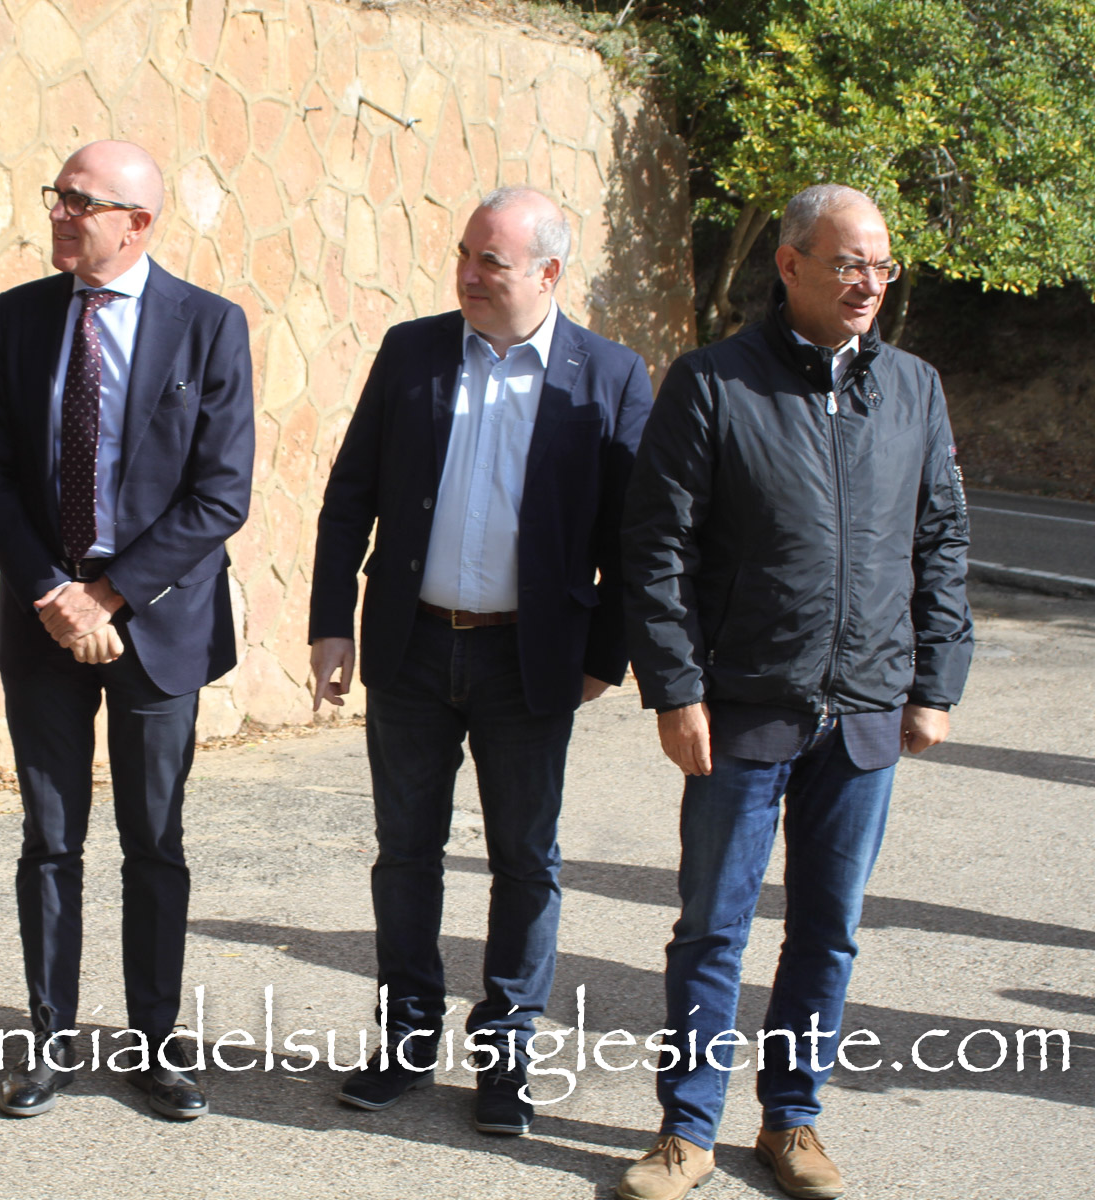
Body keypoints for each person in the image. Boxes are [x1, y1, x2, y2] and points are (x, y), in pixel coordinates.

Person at [616, 184, 973, 1200]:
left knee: (828, 929)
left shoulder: (913, 387)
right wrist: (675, 690)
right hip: (743, 707)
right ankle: (686, 1131)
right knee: (712, 928)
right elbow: (657, 548)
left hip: (864, 710)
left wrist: (935, 682)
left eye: (881, 266)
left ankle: (792, 1121)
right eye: (849, 263)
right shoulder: (713, 382)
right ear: (790, 264)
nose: (869, 284)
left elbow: (941, 538)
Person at [307, 186, 653, 1136]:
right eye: (463, 253)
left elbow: (634, 535)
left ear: (548, 272)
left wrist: (605, 657)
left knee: (526, 861)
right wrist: (332, 622)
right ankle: (406, 1041)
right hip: (412, 644)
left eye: (489, 261)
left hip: (528, 660)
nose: (466, 273)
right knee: (405, 853)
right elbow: (350, 495)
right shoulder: (412, 351)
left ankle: (505, 1057)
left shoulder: (609, 375)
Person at [0, 140, 254, 1122]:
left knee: (153, 844)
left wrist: (110, 596)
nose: (59, 212)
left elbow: (220, 494)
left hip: (157, 624)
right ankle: (49, 1042)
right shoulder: (22, 317)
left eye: (80, 201)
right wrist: (54, 590)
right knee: (50, 840)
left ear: (137, 223)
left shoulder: (208, 326)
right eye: (58, 195)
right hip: (45, 617)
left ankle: (156, 1046)